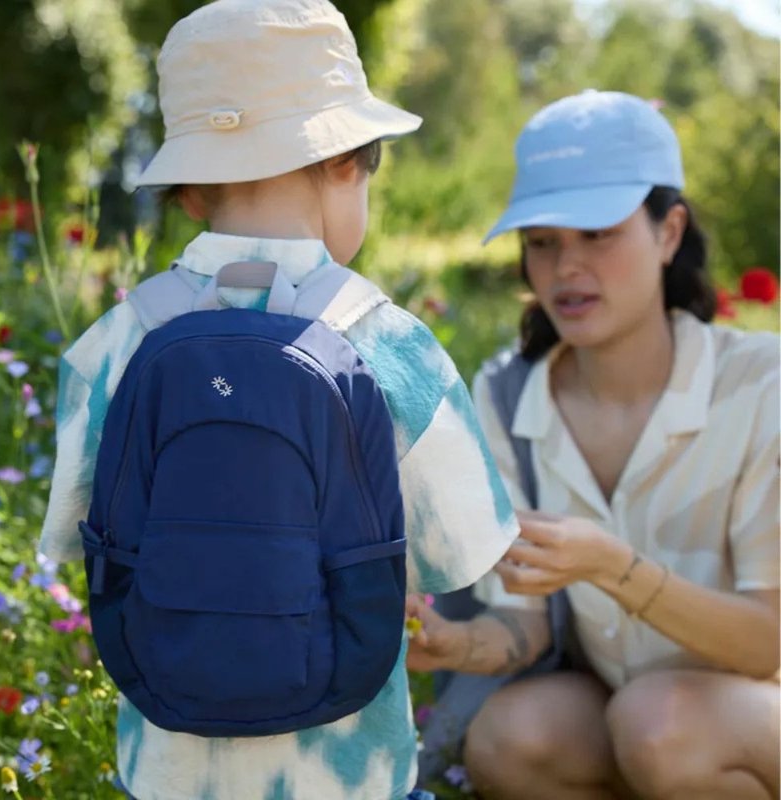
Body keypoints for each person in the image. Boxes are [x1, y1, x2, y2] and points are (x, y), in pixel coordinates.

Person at [37, 2, 521, 798]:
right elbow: (457, 553)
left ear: (189, 193)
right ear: (346, 162)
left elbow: (82, 546)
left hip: (168, 764)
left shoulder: (110, 346)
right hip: (348, 767)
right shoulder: (392, 345)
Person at [407, 89, 780, 800]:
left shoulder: (763, 385)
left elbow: (769, 642)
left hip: (758, 710)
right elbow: (525, 626)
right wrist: (456, 645)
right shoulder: (510, 397)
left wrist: (615, 568)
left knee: (659, 725)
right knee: (509, 740)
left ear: (669, 232)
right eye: (542, 242)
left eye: (597, 234)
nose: (565, 268)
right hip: (625, 712)